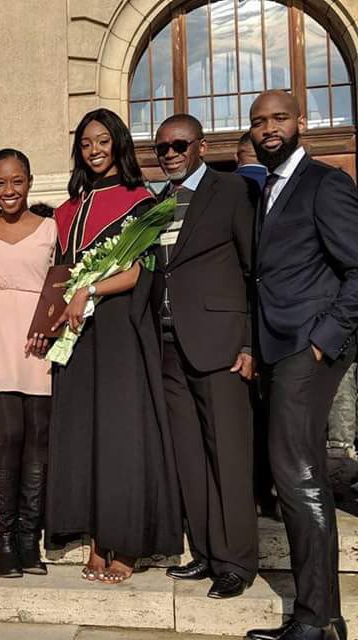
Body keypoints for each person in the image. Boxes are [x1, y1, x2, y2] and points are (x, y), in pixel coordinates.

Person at [46, 108, 183, 584]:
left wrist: (89, 291)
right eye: (85, 143)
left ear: (118, 143)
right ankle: (98, 538)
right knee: (87, 434)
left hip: (120, 329)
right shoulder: (69, 209)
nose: (94, 150)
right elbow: (60, 276)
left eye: (102, 140)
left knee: (122, 432)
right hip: (76, 334)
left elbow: (138, 273)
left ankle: (127, 542)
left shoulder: (138, 199)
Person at [246, 90, 358, 640]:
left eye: (279, 118)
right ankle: (325, 617)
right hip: (277, 347)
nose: (269, 128)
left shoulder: (325, 182)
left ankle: (314, 622)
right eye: (260, 121)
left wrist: (323, 340)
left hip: (306, 347)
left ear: (301, 122)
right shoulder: (267, 188)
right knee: (298, 475)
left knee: (297, 477)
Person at [153, 114, 258, 599]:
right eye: (162, 148)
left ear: (200, 145)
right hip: (169, 346)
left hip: (220, 345)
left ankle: (236, 562)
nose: (170, 154)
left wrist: (250, 343)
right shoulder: (157, 203)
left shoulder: (231, 191)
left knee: (229, 458)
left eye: (178, 145)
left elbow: (255, 268)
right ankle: (208, 554)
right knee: (191, 460)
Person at [0, 149, 57, 578]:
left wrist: (51, 324)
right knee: (6, 437)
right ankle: (2, 541)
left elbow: (62, 285)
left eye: (17, 181)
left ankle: (29, 540)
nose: (9, 190)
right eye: (1, 183)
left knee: (38, 441)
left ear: (29, 181)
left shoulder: (50, 229)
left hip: (37, 343)